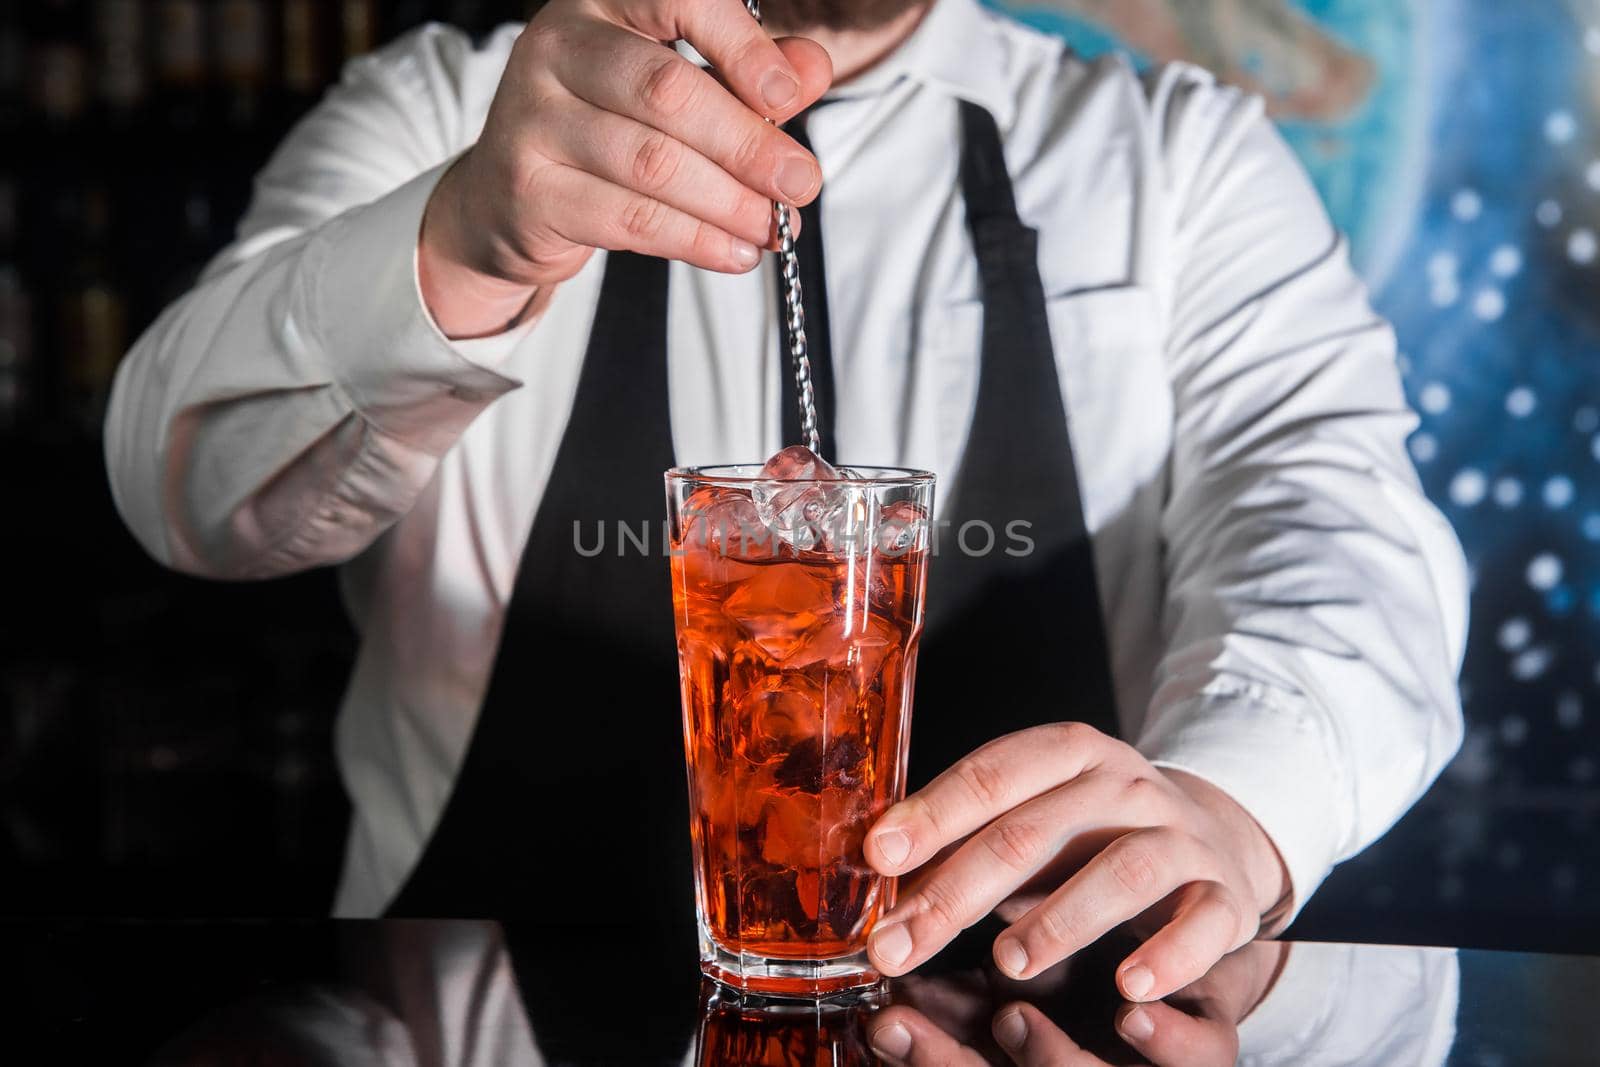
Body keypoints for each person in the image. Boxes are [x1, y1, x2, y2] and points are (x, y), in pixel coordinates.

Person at [105, 0, 1467, 1032]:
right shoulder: (443, 105)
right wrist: (466, 233)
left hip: (1045, 1032)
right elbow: (187, 496)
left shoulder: (1174, 154)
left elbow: (1339, 523)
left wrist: (1237, 797)